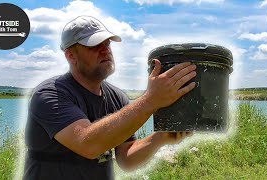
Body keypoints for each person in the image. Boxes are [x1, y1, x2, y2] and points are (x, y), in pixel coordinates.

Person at [23, 15, 197, 180]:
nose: (105, 50)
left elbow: (126, 159)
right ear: (71, 55)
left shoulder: (117, 97)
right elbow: (88, 144)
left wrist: (160, 138)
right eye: (94, 45)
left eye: (107, 43)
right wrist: (151, 100)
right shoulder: (50, 94)